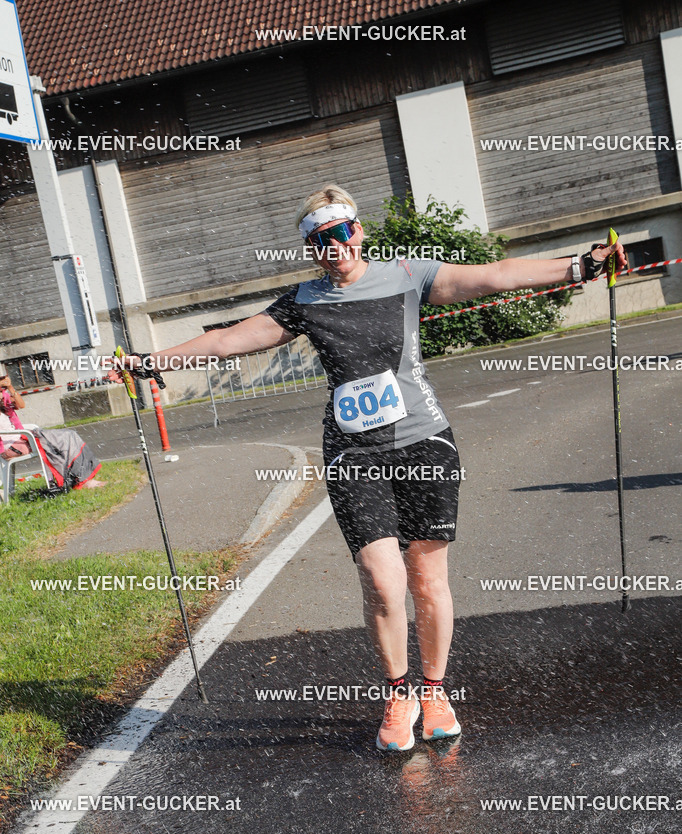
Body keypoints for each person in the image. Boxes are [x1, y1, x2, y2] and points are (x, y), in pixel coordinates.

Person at [108, 184, 626, 751]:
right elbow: (231, 339)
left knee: (429, 579)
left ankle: (435, 690)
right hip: (355, 454)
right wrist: (151, 361)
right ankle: (398, 694)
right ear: (309, 248)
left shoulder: (408, 275)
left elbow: (494, 273)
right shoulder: (303, 301)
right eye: (319, 240)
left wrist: (578, 266)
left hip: (424, 442)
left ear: (358, 230)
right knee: (383, 582)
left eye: (342, 231)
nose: (335, 246)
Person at [0, 372, 105, 491]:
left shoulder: (4, 399)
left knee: (69, 436)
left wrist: (10, 387)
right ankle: (78, 480)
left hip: (23, 439)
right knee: (60, 441)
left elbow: (21, 404)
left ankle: (80, 478)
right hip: (10, 447)